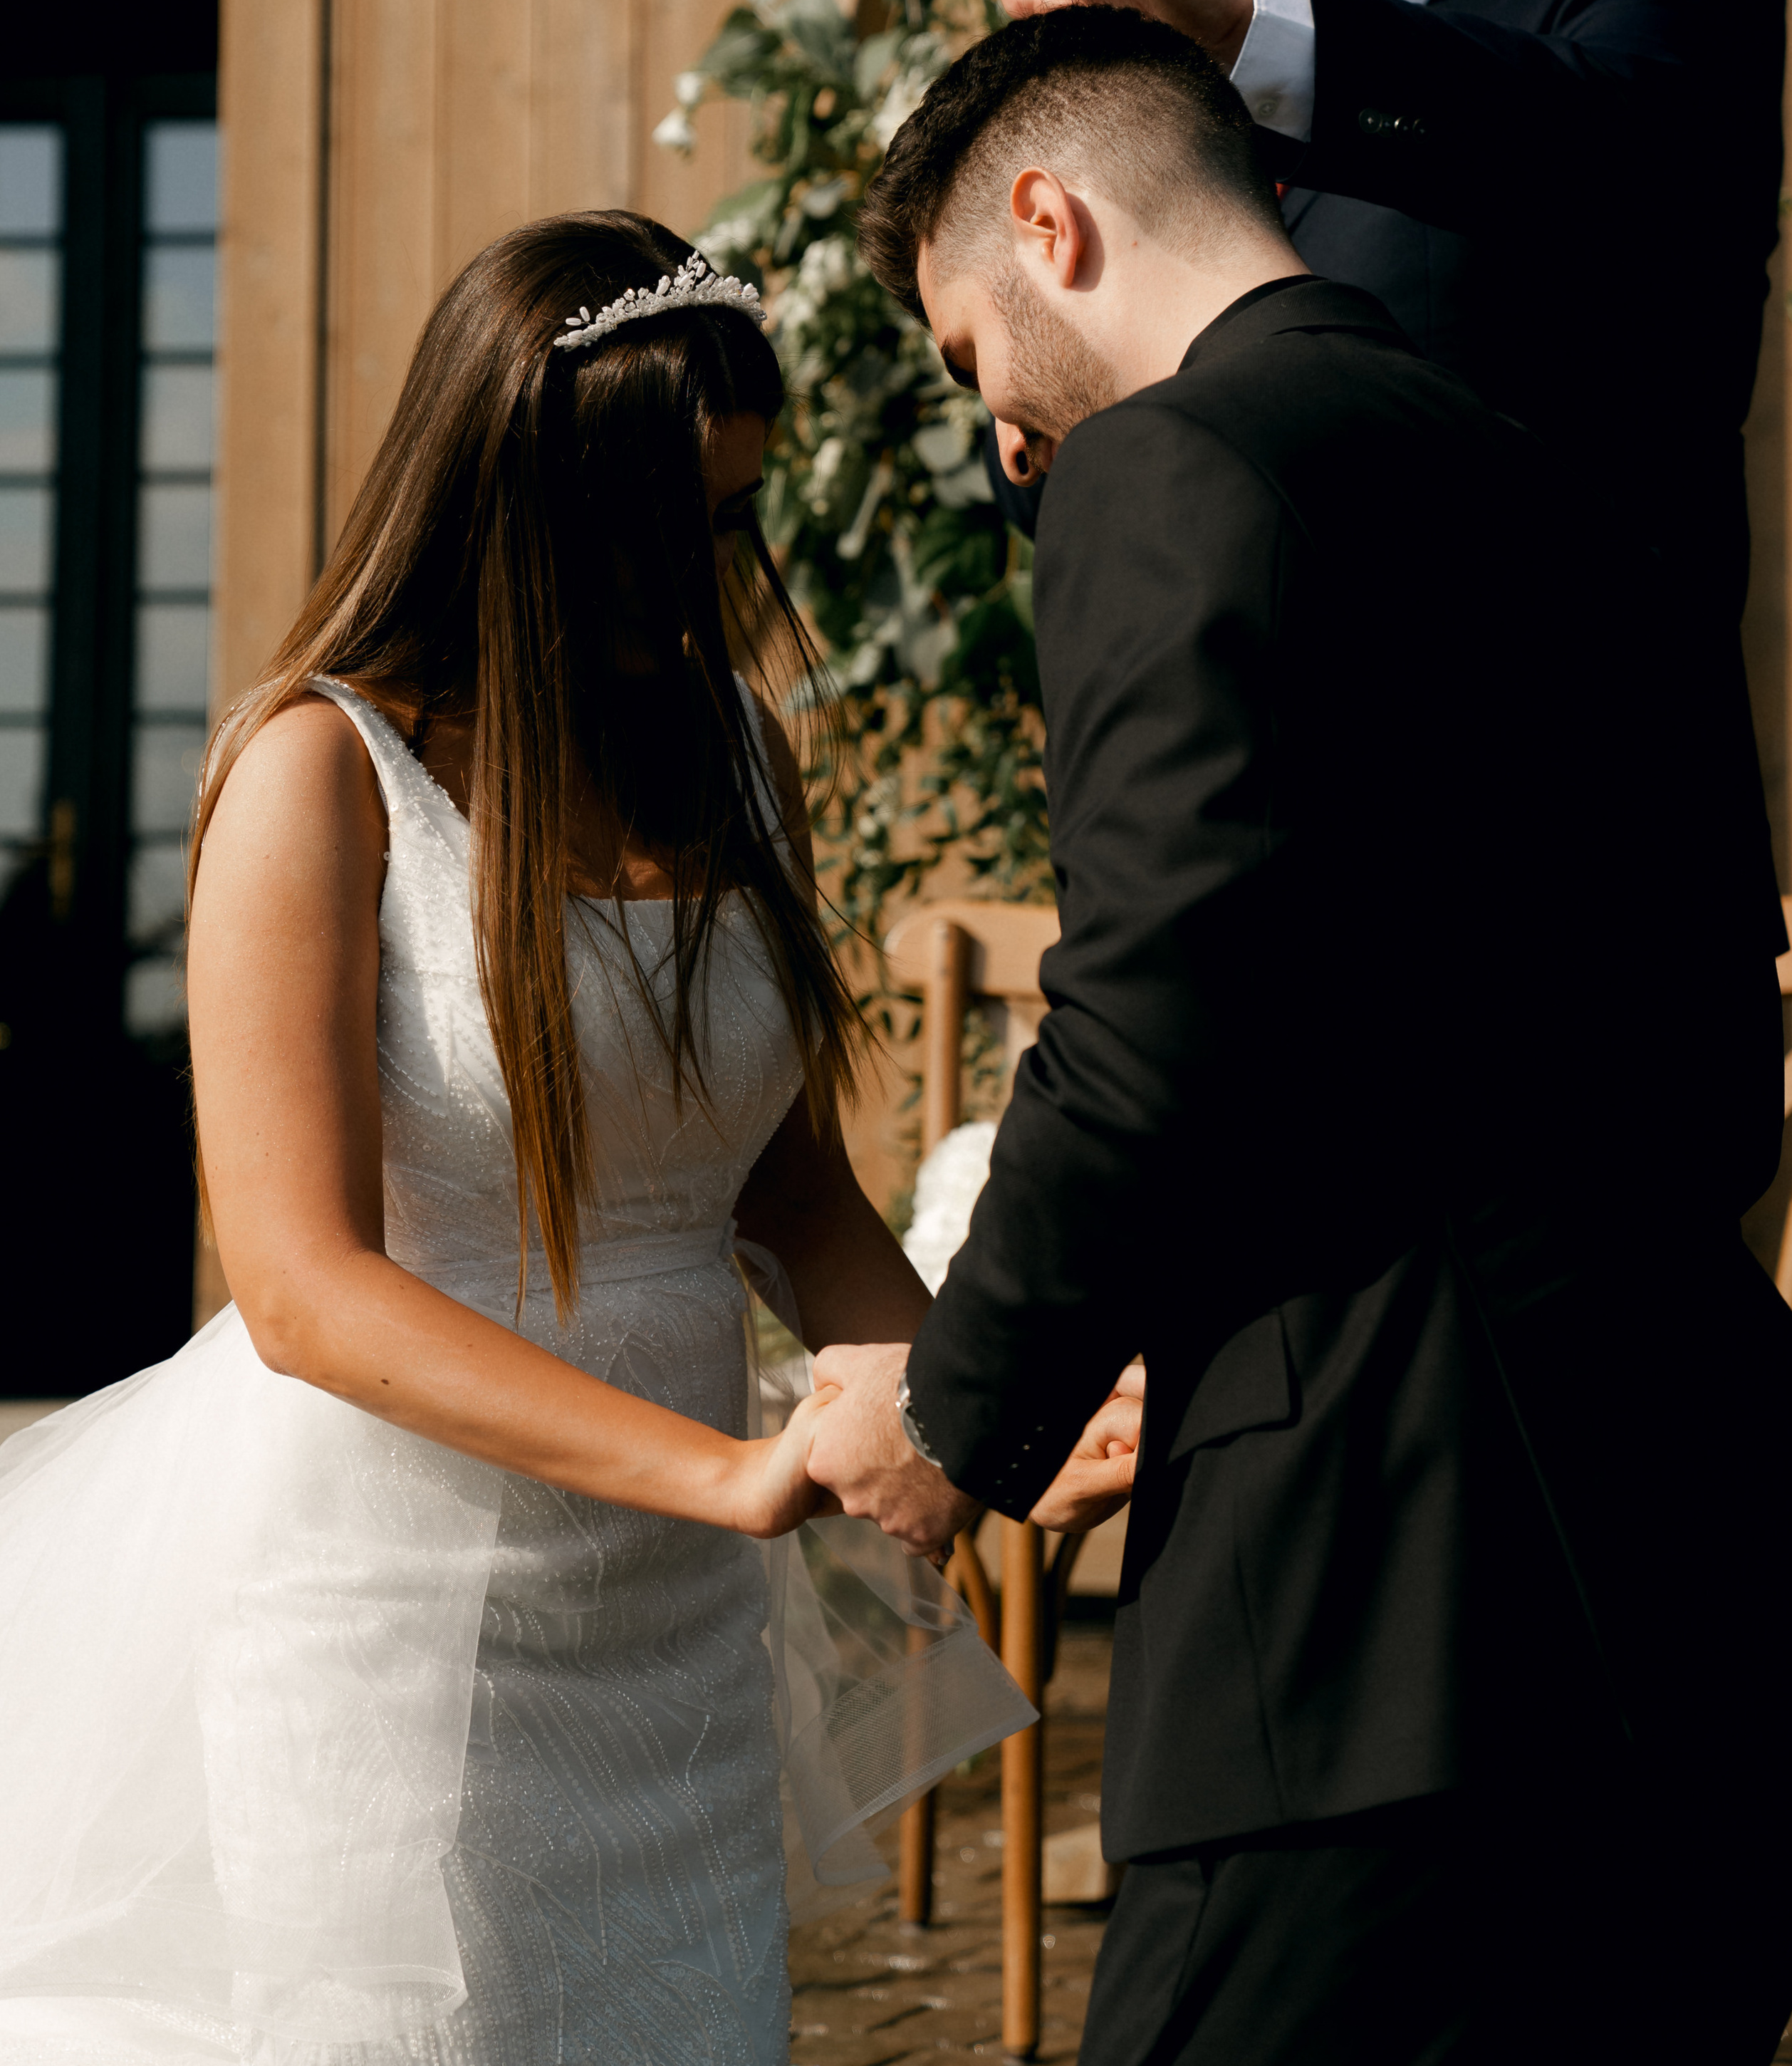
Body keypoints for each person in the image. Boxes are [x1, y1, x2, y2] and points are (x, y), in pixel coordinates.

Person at [806, 5, 1792, 2066]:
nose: (1001, 436)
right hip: (1723, 1588)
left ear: (1049, 221)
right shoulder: (1564, 473)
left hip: (1381, 1635)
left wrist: (951, 1415)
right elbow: (1708, 1031)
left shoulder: (1177, 464)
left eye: (967, 355)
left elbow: (1156, 1010)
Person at [0, 213, 1032, 2066]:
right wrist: (720, 1474)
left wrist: (956, 1392)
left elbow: (788, 1192)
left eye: (742, 518)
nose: (730, 581)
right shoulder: (321, 778)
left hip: (676, 1636)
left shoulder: (736, 754)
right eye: (686, 530)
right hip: (389, 1606)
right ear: (525, 509)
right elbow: (305, 1288)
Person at [969, 0, 1783, 912]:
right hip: (1282, 914)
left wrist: (1247, 27)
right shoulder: (1200, 115)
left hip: (1578, 904)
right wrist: (1027, 371)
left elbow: (1575, 139)